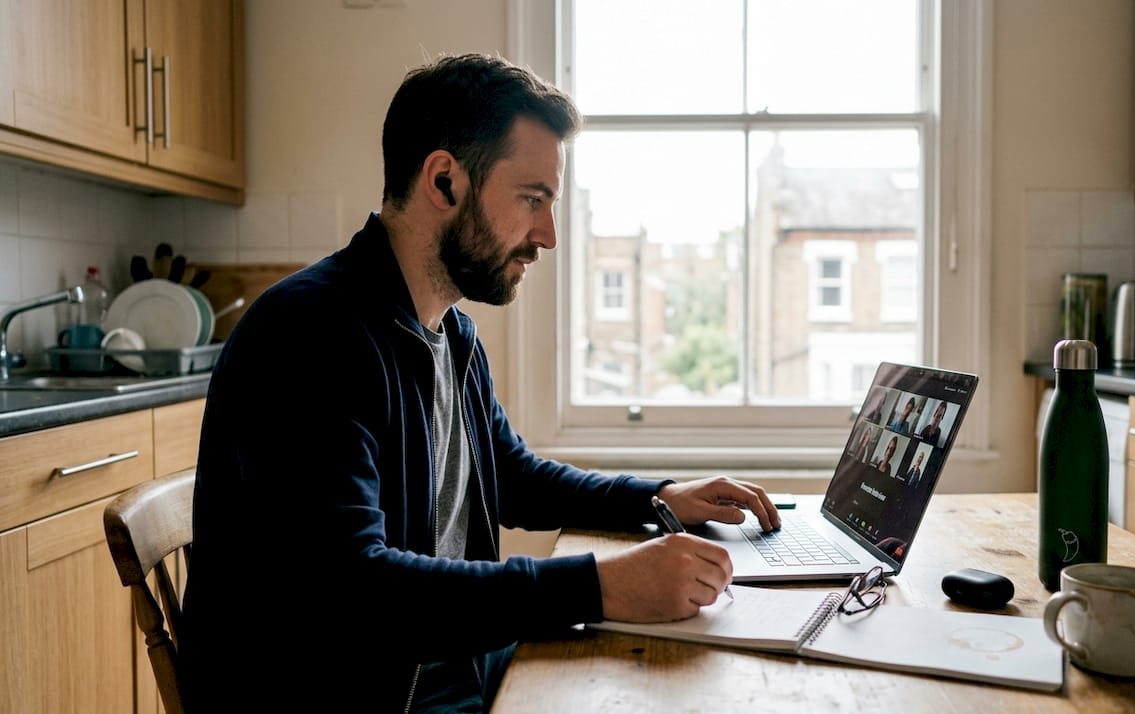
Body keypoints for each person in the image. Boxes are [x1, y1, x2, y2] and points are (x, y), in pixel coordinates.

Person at [182, 53, 781, 714]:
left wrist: (659, 496)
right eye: (532, 199)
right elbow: (357, 591)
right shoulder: (310, 335)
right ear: (444, 182)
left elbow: (512, 476)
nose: (548, 236)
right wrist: (600, 587)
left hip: (441, 666)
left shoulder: (448, 332)